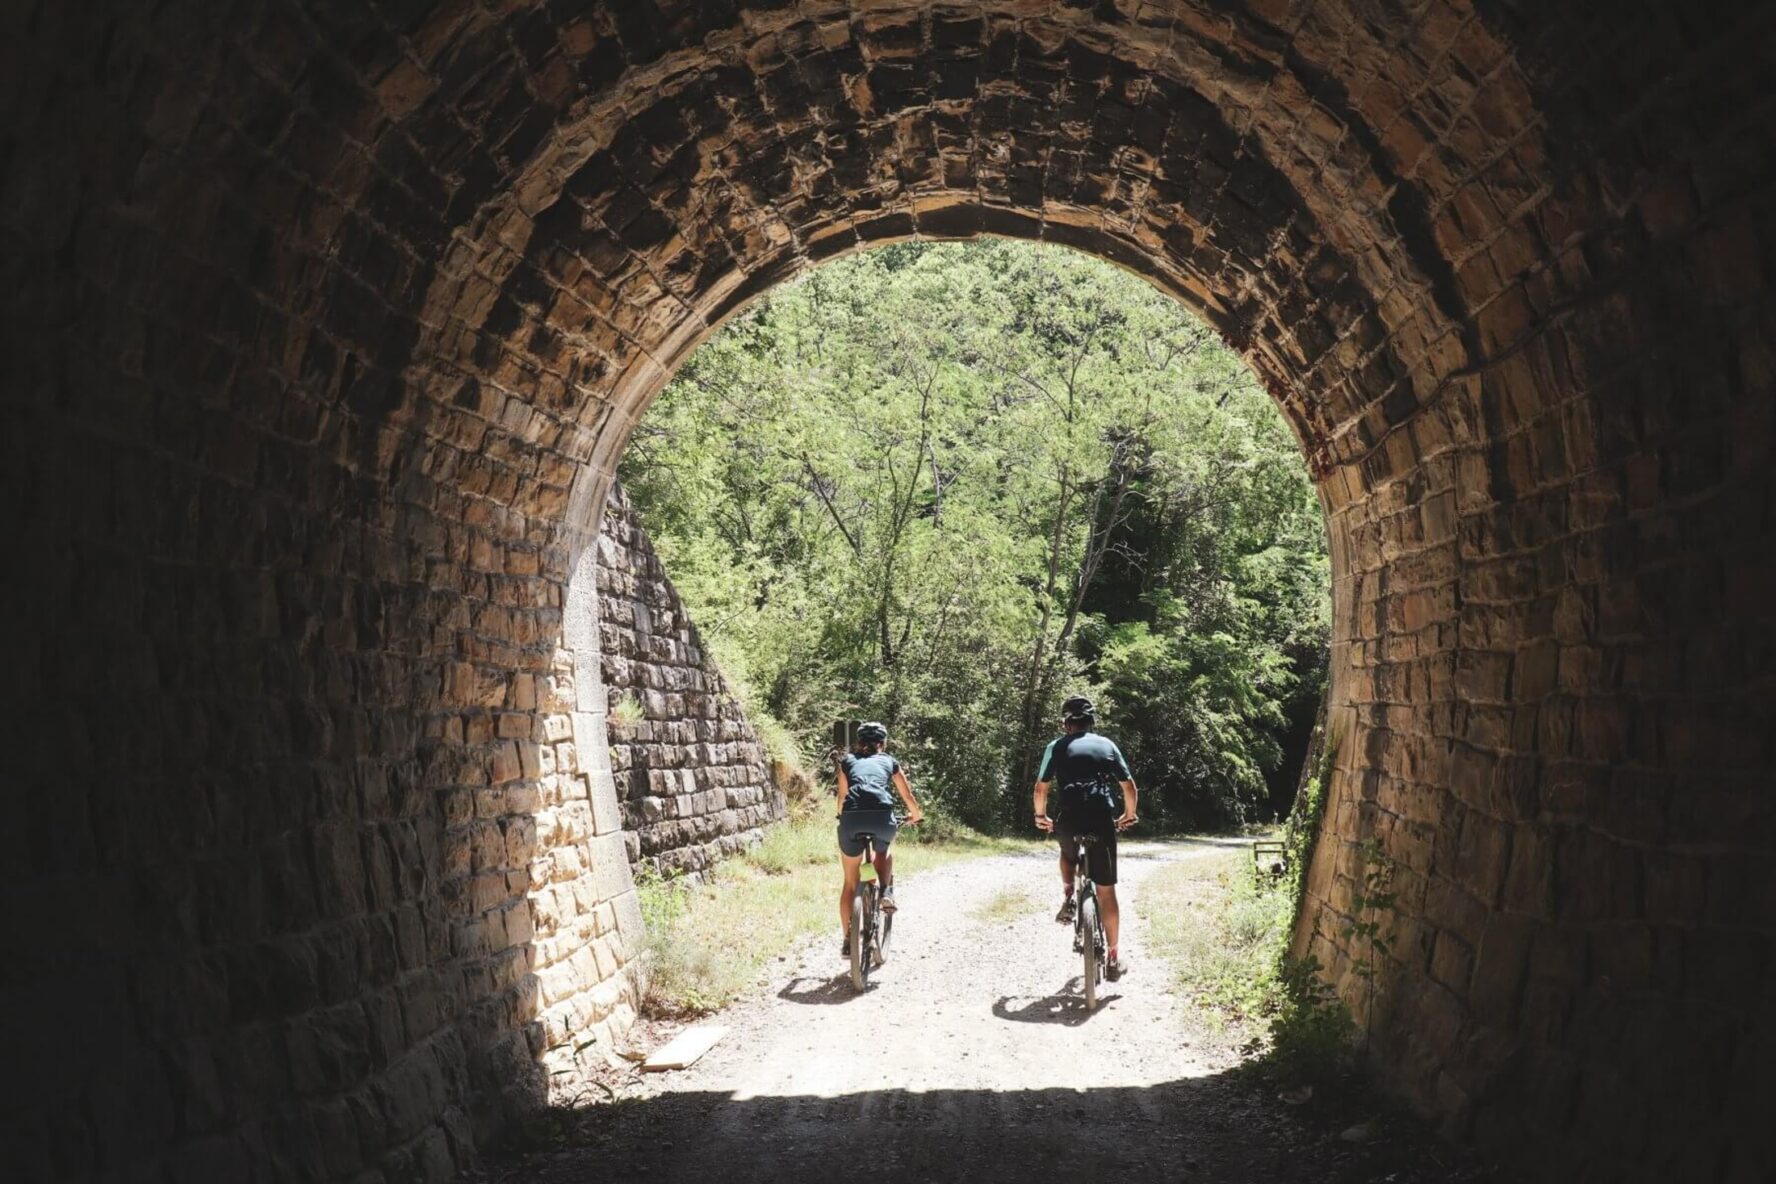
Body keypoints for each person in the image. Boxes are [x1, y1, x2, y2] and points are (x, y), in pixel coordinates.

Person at [1033, 696, 1138, 980]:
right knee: (1106, 891)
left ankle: (1068, 894)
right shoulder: (1107, 745)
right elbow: (1128, 786)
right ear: (1091, 722)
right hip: (1100, 818)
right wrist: (1129, 815)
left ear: (1066, 723)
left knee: (1068, 855)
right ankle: (1114, 958)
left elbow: (1041, 789)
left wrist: (1040, 817)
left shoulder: (1055, 747)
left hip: (1068, 818)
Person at [834, 722, 924, 956]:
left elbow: (842, 797)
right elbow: (907, 794)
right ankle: (885, 892)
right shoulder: (889, 761)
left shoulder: (847, 762)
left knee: (850, 884)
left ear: (859, 742)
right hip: (881, 818)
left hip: (851, 820)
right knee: (883, 851)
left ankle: (847, 941)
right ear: (882, 744)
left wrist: (841, 815)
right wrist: (916, 816)